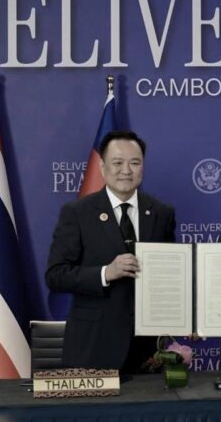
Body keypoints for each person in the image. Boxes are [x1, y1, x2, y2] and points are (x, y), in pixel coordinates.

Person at [46, 130, 176, 372]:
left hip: (147, 350)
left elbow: (173, 274)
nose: (126, 170)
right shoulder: (77, 213)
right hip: (92, 346)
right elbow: (56, 275)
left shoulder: (161, 213)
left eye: (134, 163)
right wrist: (106, 273)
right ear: (103, 167)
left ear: (143, 167)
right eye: (117, 163)